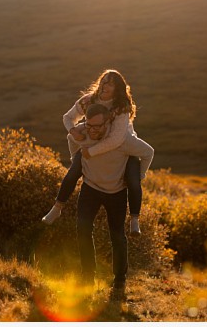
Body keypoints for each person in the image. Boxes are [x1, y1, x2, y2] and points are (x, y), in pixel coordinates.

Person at [42, 70, 146, 235]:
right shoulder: (89, 100)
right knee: (73, 172)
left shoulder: (121, 107)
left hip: (123, 146)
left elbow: (115, 140)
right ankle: (57, 208)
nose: (105, 85)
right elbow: (67, 118)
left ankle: (134, 220)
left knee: (133, 182)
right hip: (93, 141)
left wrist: (90, 152)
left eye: (110, 83)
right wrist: (73, 132)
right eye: (104, 81)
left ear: (117, 88)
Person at [70, 103, 154, 300]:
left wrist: (140, 176)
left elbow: (148, 152)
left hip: (116, 192)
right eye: (88, 125)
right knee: (82, 229)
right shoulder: (86, 134)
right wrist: (77, 163)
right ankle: (88, 277)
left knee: (117, 236)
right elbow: (71, 139)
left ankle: (119, 280)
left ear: (108, 122)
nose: (92, 130)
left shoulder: (123, 140)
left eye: (96, 126)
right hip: (90, 188)